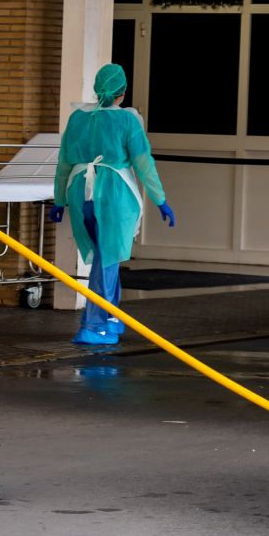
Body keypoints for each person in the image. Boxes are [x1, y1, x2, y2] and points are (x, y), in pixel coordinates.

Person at [49, 63, 175, 346]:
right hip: (115, 193)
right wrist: (160, 200)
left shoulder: (77, 118)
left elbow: (63, 165)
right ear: (123, 93)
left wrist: (59, 200)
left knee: (107, 256)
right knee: (107, 259)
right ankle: (94, 325)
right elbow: (144, 164)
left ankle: (111, 317)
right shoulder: (128, 121)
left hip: (80, 191)